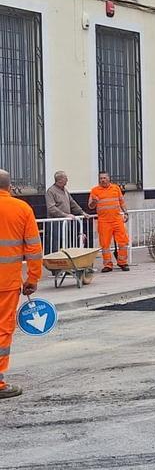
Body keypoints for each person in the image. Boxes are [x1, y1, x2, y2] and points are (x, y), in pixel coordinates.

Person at [0, 169, 42, 399]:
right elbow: (34, 249)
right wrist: (33, 278)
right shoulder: (22, 209)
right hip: (5, 282)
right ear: (10, 186)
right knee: (2, 330)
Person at [88, 172, 130, 272]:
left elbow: (122, 202)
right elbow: (90, 206)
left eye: (104, 178)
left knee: (123, 242)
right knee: (105, 244)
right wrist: (94, 201)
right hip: (104, 221)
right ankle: (108, 265)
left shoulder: (116, 188)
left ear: (109, 178)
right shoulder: (95, 190)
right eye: (101, 178)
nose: (102, 180)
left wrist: (126, 213)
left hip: (117, 220)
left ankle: (123, 263)